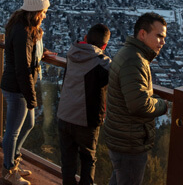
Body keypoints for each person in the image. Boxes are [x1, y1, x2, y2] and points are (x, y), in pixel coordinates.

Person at [102, 12, 169, 185]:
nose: (163, 42)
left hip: (121, 135)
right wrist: (163, 105)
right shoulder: (135, 61)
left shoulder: (129, 53)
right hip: (129, 142)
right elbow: (139, 104)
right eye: (159, 36)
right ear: (142, 34)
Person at [1, 0, 53, 185]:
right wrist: (31, 97)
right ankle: (8, 170)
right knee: (12, 132)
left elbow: (28, 54)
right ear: (35, 12)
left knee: (28, 124)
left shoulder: (25, 28)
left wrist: (42, 52)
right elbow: (22, 68)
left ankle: (13, 161)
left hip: (18, 86)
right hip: (17, 88)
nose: (45, 15)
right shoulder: (22, 32)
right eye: (44, 12)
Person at [57, 23, 112, 185]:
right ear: (104, 45)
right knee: (88, 161)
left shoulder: (71, 53)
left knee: (67, 163)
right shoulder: (103, 64)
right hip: (86, 121)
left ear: (86, 38)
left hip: (64, 115)